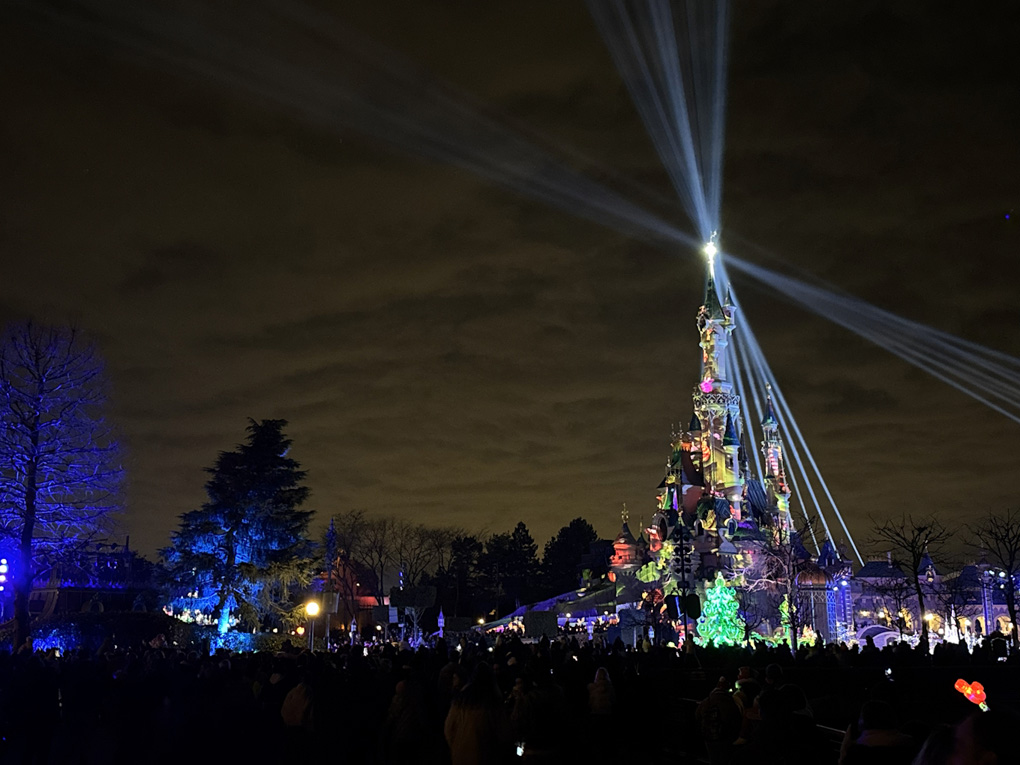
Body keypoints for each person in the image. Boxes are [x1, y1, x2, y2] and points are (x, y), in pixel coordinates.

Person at [444, 662, 512, 765]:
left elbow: (448, 729)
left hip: (460, 756)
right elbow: (504, 734)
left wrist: (456, 746)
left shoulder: (460, 701)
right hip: (485, 757)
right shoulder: (492, 703)